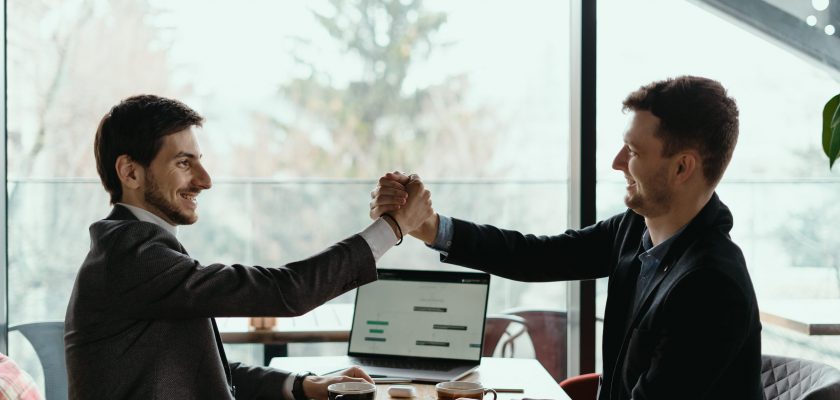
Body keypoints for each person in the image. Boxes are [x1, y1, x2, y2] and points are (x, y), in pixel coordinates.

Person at [370, 76, 763, 400]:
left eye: (633, 151)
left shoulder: (711, 286)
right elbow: (535, 256)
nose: (616, 162)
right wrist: (430, 226)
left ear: (682, 167)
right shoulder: (634, 229)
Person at [64, 94, 433, 400]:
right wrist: (394, 228)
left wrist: (302, 386)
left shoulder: (139, 247)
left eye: (200, 162)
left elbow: (203, 369)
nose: (205, 181)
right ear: (130, 172)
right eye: (183, 163)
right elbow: (287, 290)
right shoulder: (131, 253)